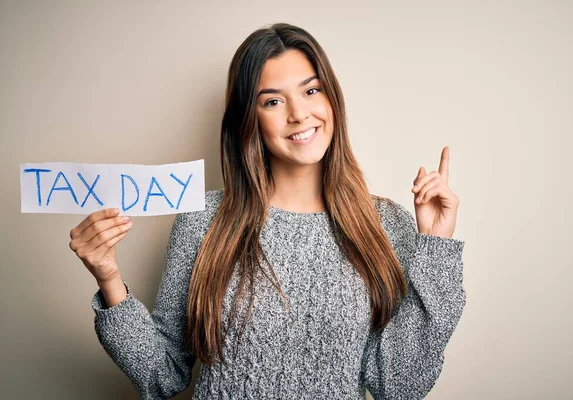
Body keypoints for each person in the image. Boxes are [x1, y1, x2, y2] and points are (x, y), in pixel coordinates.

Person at [68, 22, 466, 399]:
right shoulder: (203, 219)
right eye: (273, 101)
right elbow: (163, 374)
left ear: (332, 98)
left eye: (311, 91)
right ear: (249, 119)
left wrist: (436, 248)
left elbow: (399, 386)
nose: (299, 114)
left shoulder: (384, 224)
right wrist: (109, 278)